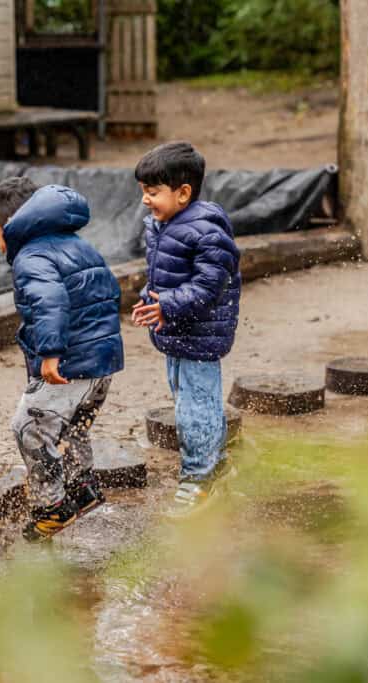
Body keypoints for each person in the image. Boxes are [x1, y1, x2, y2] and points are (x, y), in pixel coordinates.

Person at [0, 178, 124, 542]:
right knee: (71, 428)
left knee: (28, 428)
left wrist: (50, 353)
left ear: (16, 223)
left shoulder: (31, 257)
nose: (1, 247)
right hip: (100, 364)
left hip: (68, 364)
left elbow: (49, 303)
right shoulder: (77, 244)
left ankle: (52, 507)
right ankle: (82, 486)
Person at [131, 141, 241, 512]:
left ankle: (199, 478)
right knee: (191, 403)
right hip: (176, 330)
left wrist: (168, 307)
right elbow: (164, 276)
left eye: (153, 192)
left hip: (200, 333)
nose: (146, 200)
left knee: (195, 409)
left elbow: (210, 285)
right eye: (144, 191)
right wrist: (151, 299)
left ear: (183, 193)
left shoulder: (206, 230)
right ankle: (218, 465)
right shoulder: (161, 224)